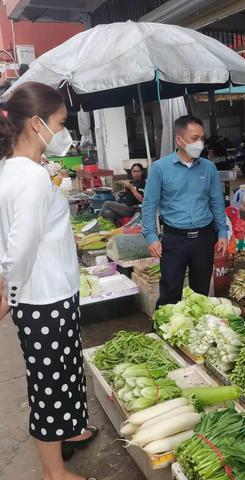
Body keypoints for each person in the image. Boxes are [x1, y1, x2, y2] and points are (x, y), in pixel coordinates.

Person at [0, 82, 97, 480]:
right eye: (61, 123)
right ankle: (54, 472)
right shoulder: (31, 178)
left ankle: (71, 430)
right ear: (37, 123)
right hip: (42, 300)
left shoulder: (17, 169)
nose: (64, 133)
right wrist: (9, 295)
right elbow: (18, 249)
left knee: (68, 371)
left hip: (54, 293)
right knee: (50, 386)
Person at [142, 115, 228, 307]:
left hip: (204, 238)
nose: (199, 143)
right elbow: (149, 205)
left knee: (200, 294)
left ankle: (197, 333)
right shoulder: (159, 168)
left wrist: (222, 231)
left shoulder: (209, 168)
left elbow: (216, 201)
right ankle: (163, 331)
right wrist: (150, 235)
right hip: (174, 240)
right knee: (170, 292)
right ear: (179, 140)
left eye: (202, 138)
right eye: (194, 138)